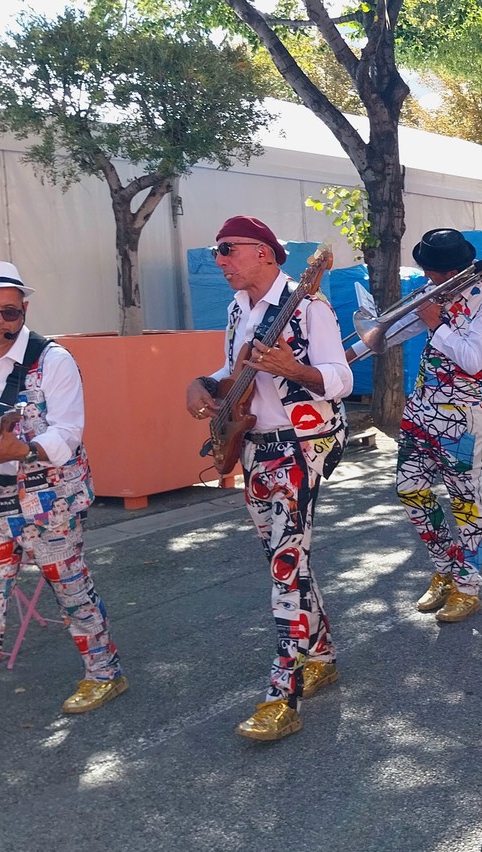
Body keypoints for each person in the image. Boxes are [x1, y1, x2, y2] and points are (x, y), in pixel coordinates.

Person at [0, 261, 125, 748]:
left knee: (72, 592)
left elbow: (68, 433)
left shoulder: (54, 360)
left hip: (49, 502)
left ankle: (104, 673)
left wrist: (25, 450)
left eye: (9, 311)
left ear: (24, 309)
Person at [185, 216, 351, 742]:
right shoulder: (238, 308)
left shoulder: (309, 306)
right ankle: (319, 655)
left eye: (227, 249)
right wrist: (202, 384)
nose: (219, 260)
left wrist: (293, 369)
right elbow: (232, 370)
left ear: (263, 252)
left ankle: (284, 695)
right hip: (255, 445)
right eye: (217, 251)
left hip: (300, 445)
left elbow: (341, 378)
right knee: (285, 560)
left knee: (285, 566)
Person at [380, 229, 482, 623]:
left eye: (431, 272)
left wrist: (437, 324)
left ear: (451, 270)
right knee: (409, 490)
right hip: (420, 409)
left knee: (465, 503)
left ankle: (468, 587)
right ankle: (445, 568)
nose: (427, 277)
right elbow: (392, 334)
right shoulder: (436, 290)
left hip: (460, 417)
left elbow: (473, 359)